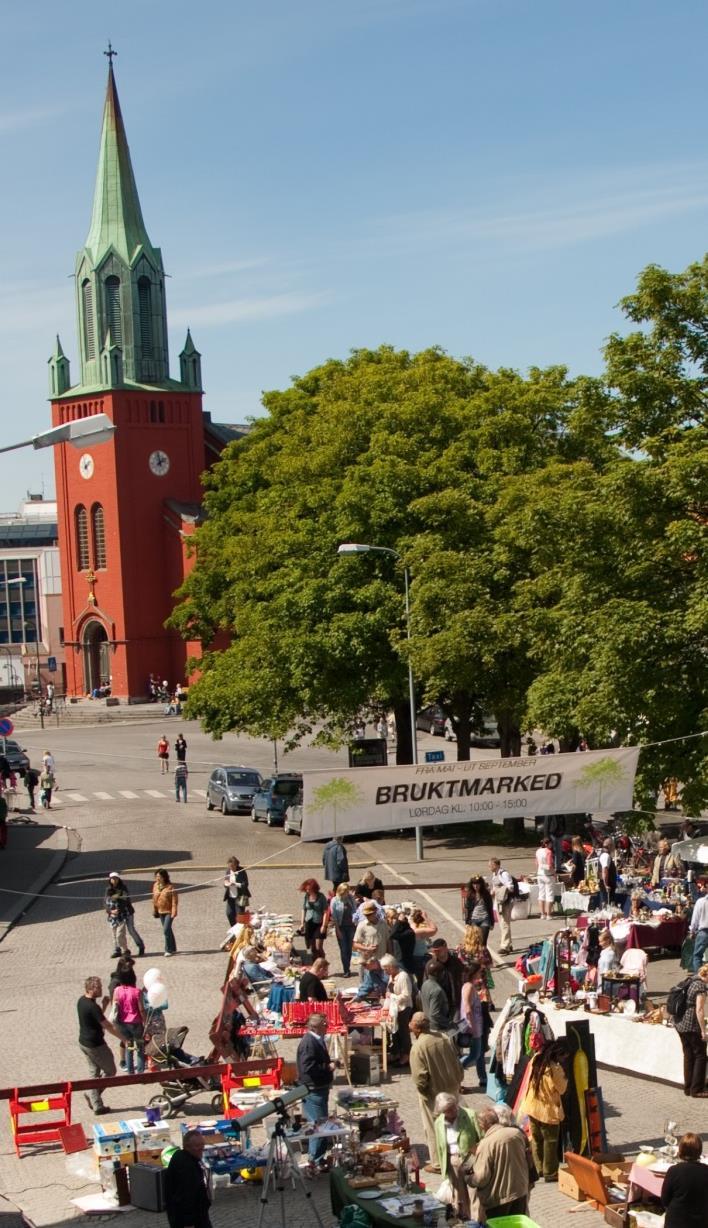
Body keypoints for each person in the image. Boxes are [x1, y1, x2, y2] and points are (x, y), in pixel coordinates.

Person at [409, 1012, 464, 1171]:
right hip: (452, 1089)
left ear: (417, 1028)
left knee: (434, 1128)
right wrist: (458, 1080)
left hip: (434, 1095)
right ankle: (456, 1154)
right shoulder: (443, 1037)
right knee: (453, 1124)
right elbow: (457, 1061)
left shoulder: (418, 1047)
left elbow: (420, 1079)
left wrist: (425, 1094)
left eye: (411, 1024)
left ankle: (439, 1163)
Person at [468, 1106, 531, 1219]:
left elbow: (482, 1177)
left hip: (499, 1198)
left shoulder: (486, 1143)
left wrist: (469, 1179)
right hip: (520, 1191)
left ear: (483, 1125)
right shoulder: (516, 1133)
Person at [519, 1040, 569, 1181]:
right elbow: (562, 1088)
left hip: (532, 1106)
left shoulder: (536, 1059)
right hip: (548, 1111)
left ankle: (538, 1168)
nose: (564, 1059)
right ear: (557, 1055)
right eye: (563, 1056)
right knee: (550, 1141)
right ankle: (550, 1172)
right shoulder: (555, 1069)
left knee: (536, 1139)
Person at [432, 1093, 482, 1220]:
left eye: (454, 1108)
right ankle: (462, 1218)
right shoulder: (439, 1122)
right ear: (442, 1112)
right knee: (458, 1194)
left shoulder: (470, 1115)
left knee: (474, 1193)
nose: (453, 1112)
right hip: (452, 1160)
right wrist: (443, 1165)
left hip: (470, 1159)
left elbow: (482, 1138)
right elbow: (440, 1146)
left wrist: (477, 1153)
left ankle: (477, 1221)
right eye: (448, 1111)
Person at [77, 975, 121, 1114]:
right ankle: (93, 1096)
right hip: (95, 1045)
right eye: (99, 987)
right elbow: (107, 1025)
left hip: (84, 1043)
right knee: (110, 1071)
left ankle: (97, 1105)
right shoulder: (92, 1006)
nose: (102, 989)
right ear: (91, 989)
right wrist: (124, 1039)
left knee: (94, 1073)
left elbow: (94, 1018)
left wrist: (103, 1005)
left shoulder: (82, 1001)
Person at [296, 1012, 335, 1167]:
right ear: (316, 1026)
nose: (327, 1026)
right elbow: (308, 1068)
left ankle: (318, 1158)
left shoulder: (316, 1040)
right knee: (319, 1126)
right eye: (324, 1024)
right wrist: (327, 1067)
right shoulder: (309, 1043)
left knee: (320, 1124)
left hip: (319, 1088)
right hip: (313, 1090)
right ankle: (315, 1160)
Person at [165, 1130, 213, 1228]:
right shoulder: (187, 1167)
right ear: (187, 1147)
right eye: (197, 1146)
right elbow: (185, 1196)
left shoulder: (180, 1155)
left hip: (191, 1216)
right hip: (191, 1219)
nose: (201, 1149)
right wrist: (188, 1223)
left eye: (202, 1145)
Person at [674, 962, 708, 1097]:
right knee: (700, 1055)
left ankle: (688, 1088)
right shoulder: (700, 986)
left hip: (679, 1022)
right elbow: (699, 1010)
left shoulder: (691, 979)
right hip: (691, 1024)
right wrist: (703, 1031)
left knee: (688, 1055)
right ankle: (697, 1089)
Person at [661, 1131, 708, 1228]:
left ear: (681, 1150)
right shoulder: (706, 1170)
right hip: (700, 1222)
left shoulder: (674, 1171)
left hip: (676, 1222)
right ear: (699, 1151)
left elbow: (665, 1200)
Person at [111, 967, 146, 1074]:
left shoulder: (117, 990)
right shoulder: (137, 992)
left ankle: (130, 1071)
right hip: (136, 1023)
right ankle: (140, 1071)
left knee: (128, 1046)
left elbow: (114, 1006)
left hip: (122, 1023)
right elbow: (141, 1009)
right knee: (140, 1047)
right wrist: (145, 1021)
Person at [380, 954, 414, 1063]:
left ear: (391, 966)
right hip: (395, 1009)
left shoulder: (403, 976)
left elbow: (407, 995)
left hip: (404, 1008)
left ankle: (406, 1055)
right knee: (395, 1031)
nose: (385, 972)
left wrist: (392, 997)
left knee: (403, 1032)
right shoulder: (392, 976)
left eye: (386, 969)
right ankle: (397, 1053)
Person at [104, 872, 145, 958]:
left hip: (126, 913)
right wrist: (110, 911)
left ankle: (140, 946)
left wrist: (117, 910)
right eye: (112, 879)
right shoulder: (108, 889)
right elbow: (105, 903)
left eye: (116, 878)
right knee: (114, 933)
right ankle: (117, 950)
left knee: (131, 930)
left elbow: (124, 901)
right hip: (114, 915)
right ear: (110, 880)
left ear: (119, 879)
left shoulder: (123, 888)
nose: (114, 880)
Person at [427, 937, 464, 1019]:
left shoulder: (456, 962)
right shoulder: (431, 965)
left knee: (456, 1027)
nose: (436, 953)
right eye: (434, 951)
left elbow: (463, 978)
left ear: (445, 948)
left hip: (455, 1001)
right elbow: (426, 983)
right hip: (439, 1003)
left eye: (438, 950)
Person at [458, 962, 484, 1071]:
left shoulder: (469, 986)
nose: (480, 974)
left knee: (475, 1053)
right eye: (479, 972)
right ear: (474, 973)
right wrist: (473, 1027)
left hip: (472, 1025)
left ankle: (457, 1069)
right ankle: (457, 1067)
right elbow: (468, 1008)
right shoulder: (469, 987)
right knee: (475, 1054)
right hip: (472, 1026)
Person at [327, 882, 356, 976]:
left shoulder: (351, 899)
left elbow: (355, 911)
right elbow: (334, 917)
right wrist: (337, 930)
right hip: (341, 926)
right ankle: (346, 970)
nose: (347, 894)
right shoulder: (335, 901)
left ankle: (347, 966)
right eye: (345, 892)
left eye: (348, 891)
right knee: (343, 949)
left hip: (351, 926)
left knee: (349, 949)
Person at [353, 899, 389, 969]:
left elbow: (388, 940)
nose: (367, 916)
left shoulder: (383, 923)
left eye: (369, 914)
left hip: (382, 961)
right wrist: (367, 948)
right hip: (368, 962)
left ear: (375, 911)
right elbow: (355, 944)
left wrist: (390, 955)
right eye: (366, 915)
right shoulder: (362, 925)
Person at [489, 857, 515, 955]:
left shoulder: (504, 874)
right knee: (503, 924)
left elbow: (511, 887)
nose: (489, 867)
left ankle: (505, 946)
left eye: (491, 865)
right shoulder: (494, 874)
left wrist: (499, 891)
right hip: (499, 901)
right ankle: (509, 944)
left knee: (504, 923)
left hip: (505, 902)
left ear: (496, 865)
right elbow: (495, 886)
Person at [299, 878, 328, 960]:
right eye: (306, 889)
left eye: (309, 889)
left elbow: (326, 911)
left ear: (314, 888)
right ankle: (315, 965)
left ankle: (323, 963)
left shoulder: (321, 897)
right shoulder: (306, 896)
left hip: (319, 923)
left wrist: (324, 925)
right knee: (313, 948)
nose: (307, 891)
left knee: (319, 947)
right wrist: (302, 923)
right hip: (309, 923)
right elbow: (303, 909)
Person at [421, 960, 452, 1032]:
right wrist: (449, 1022)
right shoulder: (437, 990)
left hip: (428, 1025)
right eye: (442, 973)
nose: (444, 975)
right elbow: (435, 1014)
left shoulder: (425, 984)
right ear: (437, 974)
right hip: (437, 1028)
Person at [152, 868, 178, 956]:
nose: (157, 878)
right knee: (168, 930)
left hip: (169, 911)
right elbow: (154, 899)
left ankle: (168, 949)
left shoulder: (170, 887)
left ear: (164, 877)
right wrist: (154, 909)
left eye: (159, 876)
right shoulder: (155, 885)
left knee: (166, 929)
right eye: (156, 876)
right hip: (160, 911)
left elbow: (174, 900)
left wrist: (174, 911)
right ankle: (173, 947)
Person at [463, 877, 494, 944]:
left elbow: (490, 908)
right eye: (474, 884)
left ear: (481, 884)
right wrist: (467, 923)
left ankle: (483, 954)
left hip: (485, 919)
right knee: (475, 942)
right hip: (474, 919)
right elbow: (467, 909)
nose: (476, 886)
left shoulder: (486, 894)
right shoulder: (470, 894)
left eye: (477, 884)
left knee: (483, 942)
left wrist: (492, 922)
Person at [410, 908, 438, 982]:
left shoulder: (409, 927)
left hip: (412, 957)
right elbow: (434, 929)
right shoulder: (418, 931)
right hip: (420, 958)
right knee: (423, 979)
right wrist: (426, 917)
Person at [223, 857, 250, 929]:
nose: (230, 868)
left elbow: (245, 884)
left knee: (239, 915)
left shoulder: (242, 871)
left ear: (236, 865)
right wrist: (226, 884)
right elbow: (225, 883)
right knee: (229, 914)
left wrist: (235, 884)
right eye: (229, 866)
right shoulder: (228, 871)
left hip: (240, 897)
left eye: (232, 866)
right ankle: (234, 929)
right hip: (230, 897)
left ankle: (240, 930)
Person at [389, 911, 417, 975]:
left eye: (396, 920)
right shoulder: (401, 932)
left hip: (405, 964)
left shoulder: (409, 932)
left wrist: (399, 921)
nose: (394, 922)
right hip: (400, 961)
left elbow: (392, 935)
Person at [534, 837, 555, 919]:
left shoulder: (538, 851)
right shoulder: (548, 852)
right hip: (548, 875)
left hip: (540, 874)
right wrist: (554, 873)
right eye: (551, 843)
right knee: (549, 894)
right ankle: (549, 914)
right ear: (547, 844)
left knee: (541, 894)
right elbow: (549, 866)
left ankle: (542, 914)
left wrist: (540, 867)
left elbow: (536, 863)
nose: (551, 845)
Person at [689, 885, 708, 972]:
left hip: (703, 932)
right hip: (703, 932)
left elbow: (695, 919)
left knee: (697, 956)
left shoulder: (700, 902)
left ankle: (699, 979)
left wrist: (692, 931)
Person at [599, 838, 618, 906]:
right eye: (613, 845)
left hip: (608, 884)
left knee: (608, 905)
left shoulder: (605, 855)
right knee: (607, 906)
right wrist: (606, 885)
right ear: (609, 846)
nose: (614, 847)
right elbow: (605, 871)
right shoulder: (605, 856)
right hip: (607, 886)